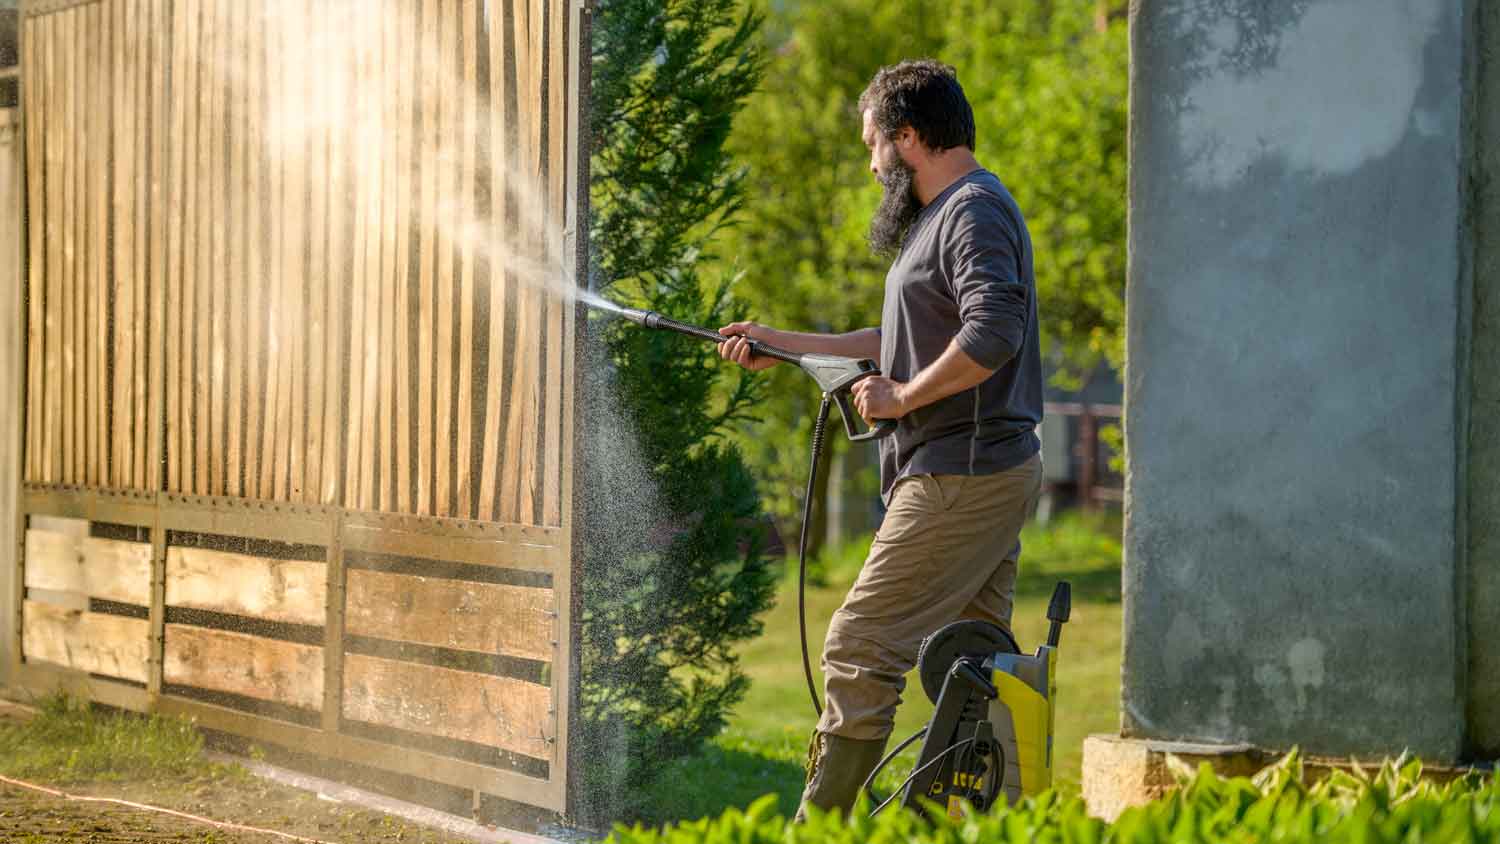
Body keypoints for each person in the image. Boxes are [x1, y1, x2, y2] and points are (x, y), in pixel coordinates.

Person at [718, 59, 1044, 820]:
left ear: (908, 136)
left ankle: (820, 830)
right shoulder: (943, 215)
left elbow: (994, 330)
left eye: (874, 145)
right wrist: (785, 344)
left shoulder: (970, 210)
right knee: (976, 660)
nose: (871, 165)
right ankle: (981, 823)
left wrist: (901, 396)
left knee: (860, 644)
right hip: (980, 468)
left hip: (959, 470)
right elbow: (898, 338)